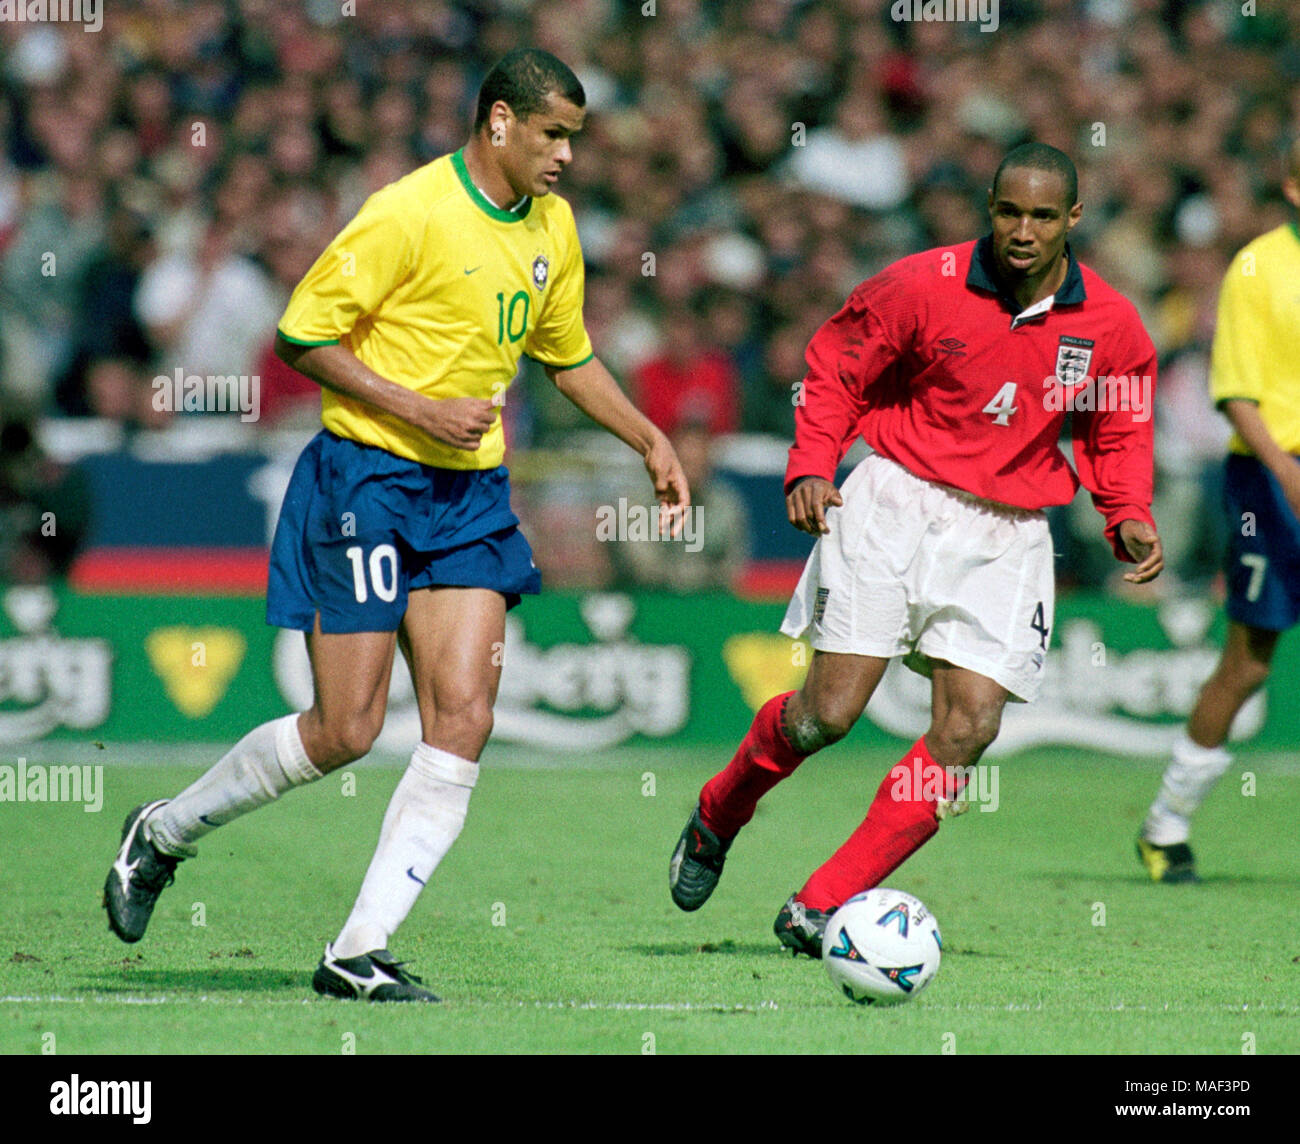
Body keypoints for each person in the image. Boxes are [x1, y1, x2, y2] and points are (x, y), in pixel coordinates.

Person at [103, 49, 689, 1002]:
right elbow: (303, 333)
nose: (565, 158)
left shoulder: (553, 227)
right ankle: (161, 833)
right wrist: (417, 408)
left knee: (464, 718)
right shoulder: (407, 211)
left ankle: (356, 950)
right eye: (552, 135)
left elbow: (567, 356)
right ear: (499, 121)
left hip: (469, 497)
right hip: (366, 479)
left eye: (573, 140)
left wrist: (646, 438)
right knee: (347, 728)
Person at [669, 143, 1164, 955]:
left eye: (1044, 216)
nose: (1024, 230)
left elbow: (1119, 424)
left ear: (1074, 218)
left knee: (969, 730)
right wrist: (811, 464)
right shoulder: (920, 285)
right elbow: (835, 368)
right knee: (826, 715)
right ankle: (720, 809)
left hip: (1008, 534)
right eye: (1009, 211)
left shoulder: (1111, 324)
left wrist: (1126, 510)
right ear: (989, 208)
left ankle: (821, 904)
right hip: (897, 500)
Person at [1137, 140, 1300, 884]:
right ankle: (1166, 824)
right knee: (1248, 662)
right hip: (1270, 477)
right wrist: (1285, 472)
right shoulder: (1258, 266)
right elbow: (1234, 388)